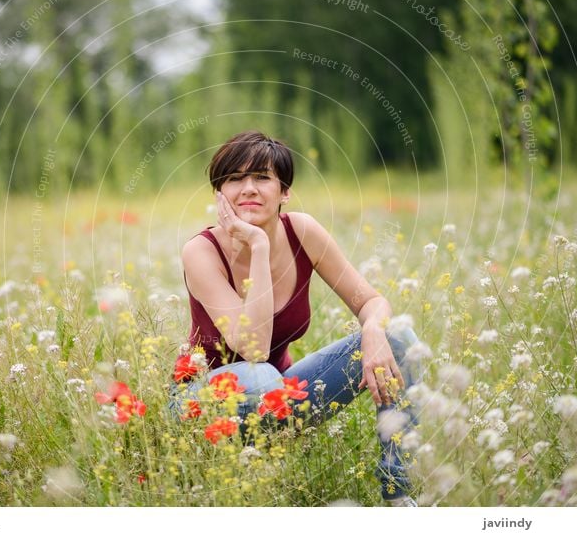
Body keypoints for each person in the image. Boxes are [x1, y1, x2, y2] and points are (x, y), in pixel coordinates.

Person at [170, 130, 423, 506]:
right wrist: (257, 244)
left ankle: (399, 496)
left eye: (262, 177)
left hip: (279, 397)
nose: (248, 188)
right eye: (235, 179)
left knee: (401, 339)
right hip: (204, 400)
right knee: (261, 376)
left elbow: (371, 300)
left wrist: (372, 328)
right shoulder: (201, 251)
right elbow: (252, 348)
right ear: (219, 194)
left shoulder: (302, 231)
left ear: (284, 191)